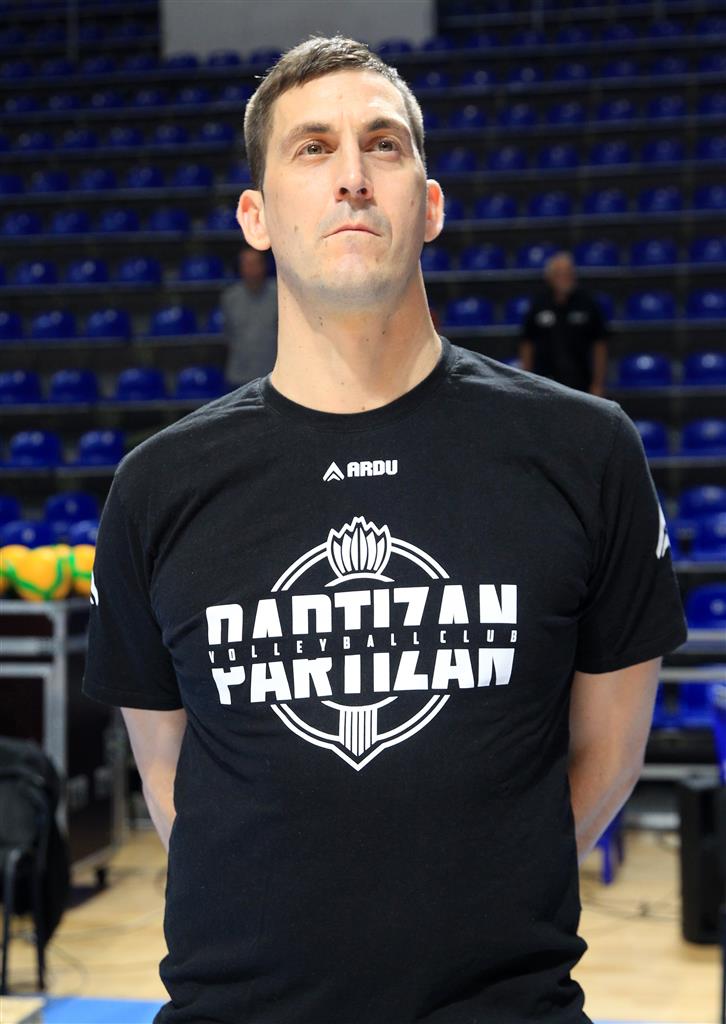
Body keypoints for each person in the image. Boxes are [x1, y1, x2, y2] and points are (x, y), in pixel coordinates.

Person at [82, 34, 688, 1024]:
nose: (353, 176)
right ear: (256, 216)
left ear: (430, 204)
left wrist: (474, 905)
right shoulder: (158, 486)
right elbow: (168, 774)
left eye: (384, 146)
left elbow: (610, 756)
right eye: (313, 148)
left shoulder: (586, 450)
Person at [519, 251, 609, 396]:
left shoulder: (587, 303)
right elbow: (527, 343)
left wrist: (598, 384)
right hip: (544, 382)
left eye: (568, 273)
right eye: (559, 274)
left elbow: (600, 345)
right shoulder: (538, 304)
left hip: (581, 382)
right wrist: (526, 381)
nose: (565, 278)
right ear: (549, 277)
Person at [220, 245, 277, 386]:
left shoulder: (280, 294)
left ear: (264, 266)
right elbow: (228, 334)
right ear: (240, 268)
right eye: (247, 264)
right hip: (239, 374)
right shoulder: (230, 298)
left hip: (274, 375)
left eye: (255, 263)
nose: (252, 268)